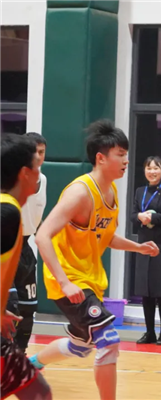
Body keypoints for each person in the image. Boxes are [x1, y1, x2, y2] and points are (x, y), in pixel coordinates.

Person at [27, 120, 159, 400]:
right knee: (108, 340)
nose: (126, 160)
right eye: (120, 154)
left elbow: (105, 236)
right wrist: (64, 282)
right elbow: (42, 236)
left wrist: (137, 247)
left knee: (81, 346)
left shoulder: (111, 191)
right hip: (70, 280)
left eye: (126, 154)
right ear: (101, 158)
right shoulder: (80, 192)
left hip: (89, 281)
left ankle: (32, 364)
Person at [1, 133, 52, 400]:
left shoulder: (12, 212)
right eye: (35, 166)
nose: (39, 172)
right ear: (24, 173)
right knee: (38, 392)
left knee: (37, 390)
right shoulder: (6, 213)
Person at [131, 156, 161, 345]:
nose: (152, 172)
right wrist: (139, 217)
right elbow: (132, 215)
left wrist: (153, 217)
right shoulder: (140, 191)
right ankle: (149, 332)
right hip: (144, 244)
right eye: (149, 168)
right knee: (146, 291)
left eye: (156, 168)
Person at [12, 132, 48, 352]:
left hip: (25, 247)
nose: (38, 156)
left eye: (42, 152)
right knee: (9, 307)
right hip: (6, 245)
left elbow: (35, 218)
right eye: (34, 152)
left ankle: (20, 355)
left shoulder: (43, 179)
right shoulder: (10, 176)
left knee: (28, 308)